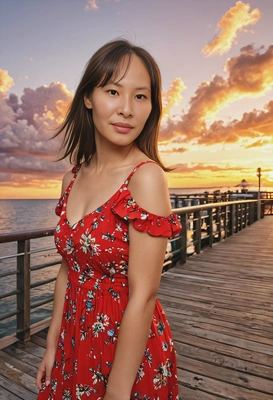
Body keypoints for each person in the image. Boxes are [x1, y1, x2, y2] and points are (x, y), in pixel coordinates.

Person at [36, 38, 181, 400]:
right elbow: (68, 270)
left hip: (127, 350)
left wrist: (117, 392)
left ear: (152, 106)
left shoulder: (146, 178)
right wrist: (52, 344)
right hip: (74, 338)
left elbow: (144, 295)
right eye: (113, 91)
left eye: (141, 96)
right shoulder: (71, 179)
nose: (127, 109)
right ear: (88, 97)